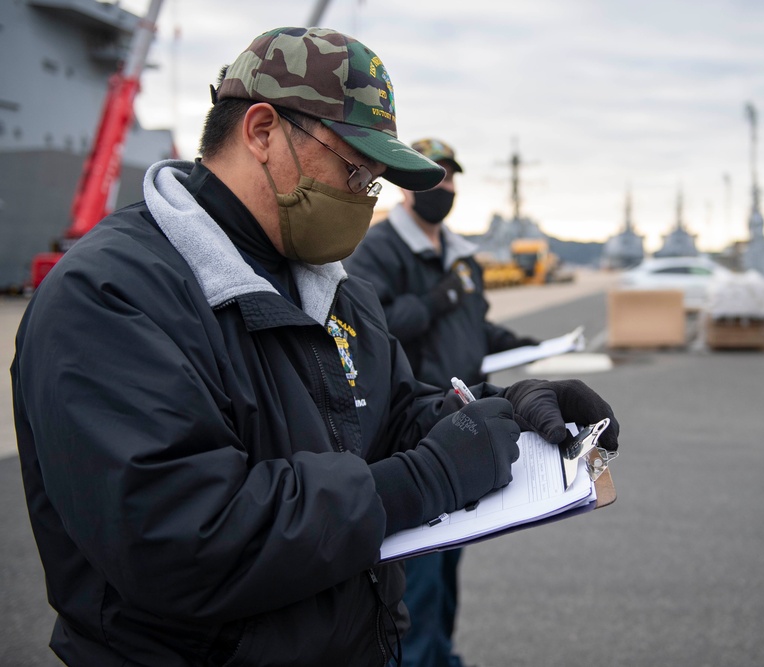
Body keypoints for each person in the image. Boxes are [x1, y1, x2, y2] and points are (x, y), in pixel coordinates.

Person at [10, 27, 619, 667]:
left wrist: (505, 415)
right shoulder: (109, 295)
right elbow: (180, 538)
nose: (363, 199)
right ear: (263, 131)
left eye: (375, 183)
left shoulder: (332, 287)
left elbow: (391, 415)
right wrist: (429, 478)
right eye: (355, 171)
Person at [344, 138, 539, 667]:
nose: (444, 187)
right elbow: (371, 326)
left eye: (451, 176)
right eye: (434, 176)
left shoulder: (462, 255)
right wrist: (435, 300)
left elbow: (474, 325)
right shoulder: (379, 247)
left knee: (449, 567)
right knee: (419, 578)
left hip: (462, 421)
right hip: (414, 432)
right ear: (408, 186)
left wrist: (528, 344)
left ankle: (442, 656)